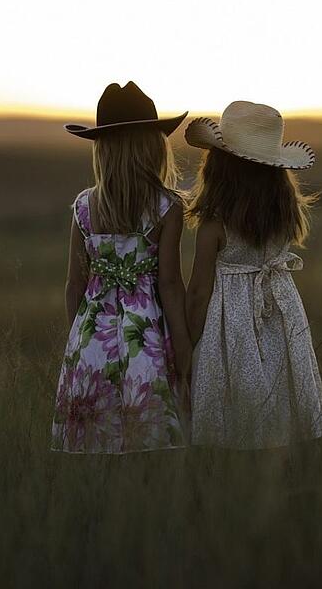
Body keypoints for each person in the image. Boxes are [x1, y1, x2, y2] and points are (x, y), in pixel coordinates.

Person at [51, 81, 191, 454]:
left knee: (95, 447)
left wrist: (77, 345)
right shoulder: (167, 207)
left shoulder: (84, 207)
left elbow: (73, 285)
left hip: (90, 338)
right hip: (144, 341)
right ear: (152, 147)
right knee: (146, 444)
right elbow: (171, 285)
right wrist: (184, 350)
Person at [184, 101, 322, 449]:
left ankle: (238, 477)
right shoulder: (282, 215)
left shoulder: (214, 225)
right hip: (282, 312)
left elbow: (198, 293)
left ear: (218, 167)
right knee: (282, 392)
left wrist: (186, 344)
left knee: (235, 402)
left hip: (230, 325)